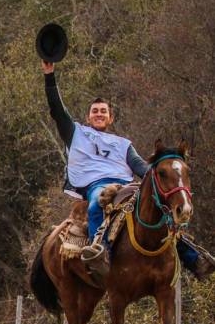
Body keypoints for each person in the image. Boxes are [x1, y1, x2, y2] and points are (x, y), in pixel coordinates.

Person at [42, 60, 215, 281]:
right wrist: (50, 75)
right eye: (95, 111)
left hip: (126, 185)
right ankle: (100, 252)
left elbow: (142, 167)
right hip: (98, 186)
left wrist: (163, 180)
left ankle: (193, 259)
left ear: (111, 118)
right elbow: (57, 109)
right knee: (97, 204)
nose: (99, 114)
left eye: (104, 111)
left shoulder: (123, 143)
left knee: (158, 206)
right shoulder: (75, 132)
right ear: (88, 117)